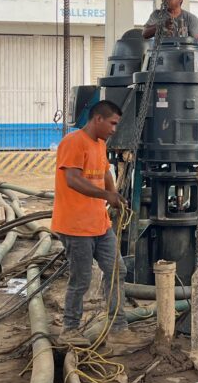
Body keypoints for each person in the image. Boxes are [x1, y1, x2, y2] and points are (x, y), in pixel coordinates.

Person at [52, 99, 140, 349]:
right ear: (98, 119)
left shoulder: (100, 144)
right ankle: (69, 329)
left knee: (117, 271)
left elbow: (104, 172)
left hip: (99, 224)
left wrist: (114, 195)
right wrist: (105, 196)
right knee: (81, 278)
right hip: (75, 226)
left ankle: (118, 327)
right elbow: (72, 179)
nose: (114, 129)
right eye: (112, 123)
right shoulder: (73, 142)